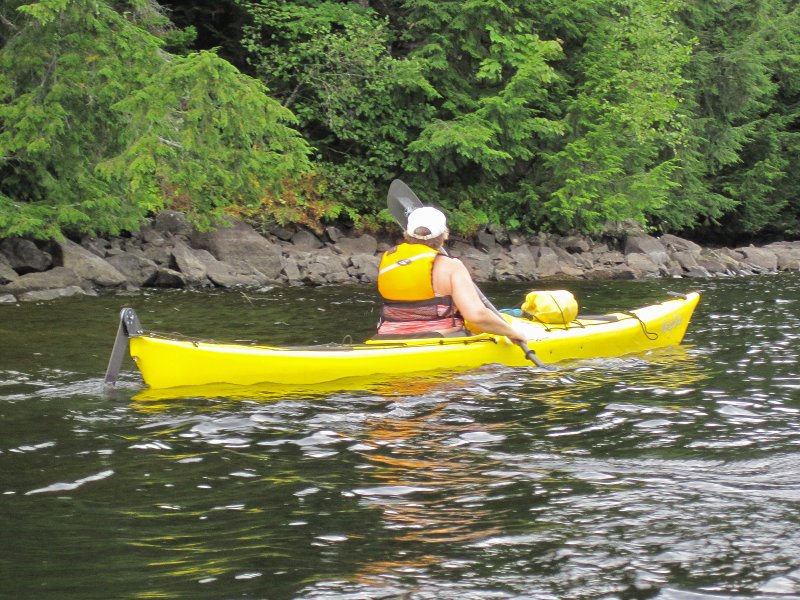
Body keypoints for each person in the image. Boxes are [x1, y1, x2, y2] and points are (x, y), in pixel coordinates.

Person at [375, 206, 527, 343]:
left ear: (407, 234)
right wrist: (511, 333)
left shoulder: (388, 259)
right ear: (444, 235)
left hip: (385, 338)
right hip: (437, 339)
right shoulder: (451, 266)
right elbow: (477, 316)